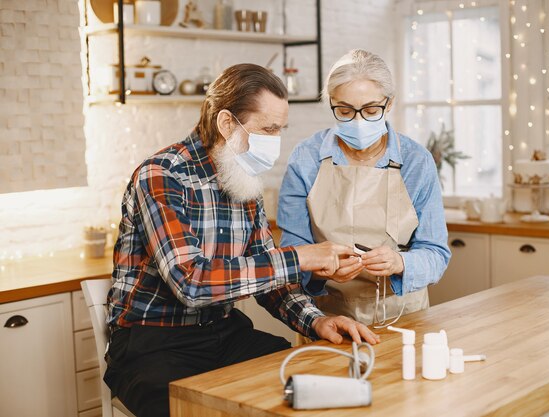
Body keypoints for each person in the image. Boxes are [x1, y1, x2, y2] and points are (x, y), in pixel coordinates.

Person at [104, 63, 379, 417]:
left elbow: (268, 277)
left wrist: (315, 320)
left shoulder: (243, 180)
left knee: (307, 385)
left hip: (224, 332)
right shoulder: (161, 175)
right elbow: (191, 282)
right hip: (151, 346)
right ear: (227, 123)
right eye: (268, 129)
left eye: (280, 129)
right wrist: (303, 258)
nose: (276, 140)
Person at [278, 49, 451, 327]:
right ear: (331, 103)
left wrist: (399, 263)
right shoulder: (306, 158)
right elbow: (292, 250)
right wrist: (323, 270)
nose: (358, 121)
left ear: (389, 104)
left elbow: (436, 252)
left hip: (405, 316)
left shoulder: (416, 161)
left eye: (371, 110)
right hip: (327, 318)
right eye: (345, 111)